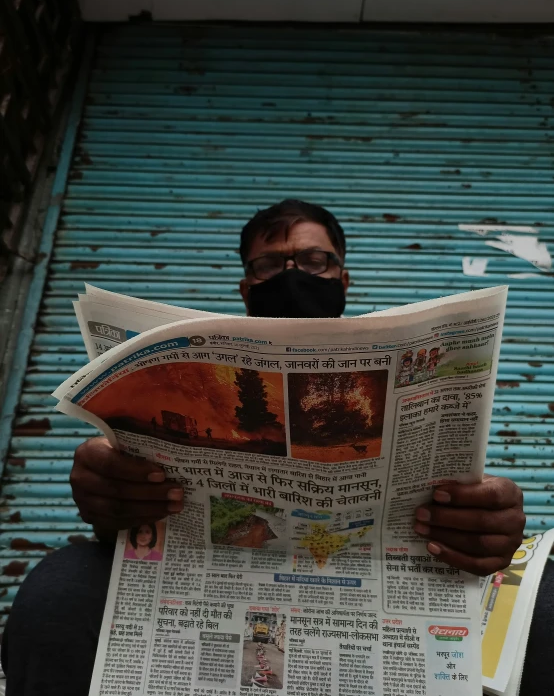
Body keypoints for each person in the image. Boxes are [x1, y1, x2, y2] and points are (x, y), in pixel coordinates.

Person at [1, 199, 546, 696]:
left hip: (372, 593)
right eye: (270, 265)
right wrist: (111, 499)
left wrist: (485, 524)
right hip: (211, 586)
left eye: (315, 260)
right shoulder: (202, 375)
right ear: (246, 286)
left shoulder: (397, 373)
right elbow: (140, 510)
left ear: (343, 278)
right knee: (60, 589)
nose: (293, 275)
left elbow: (454, 510)